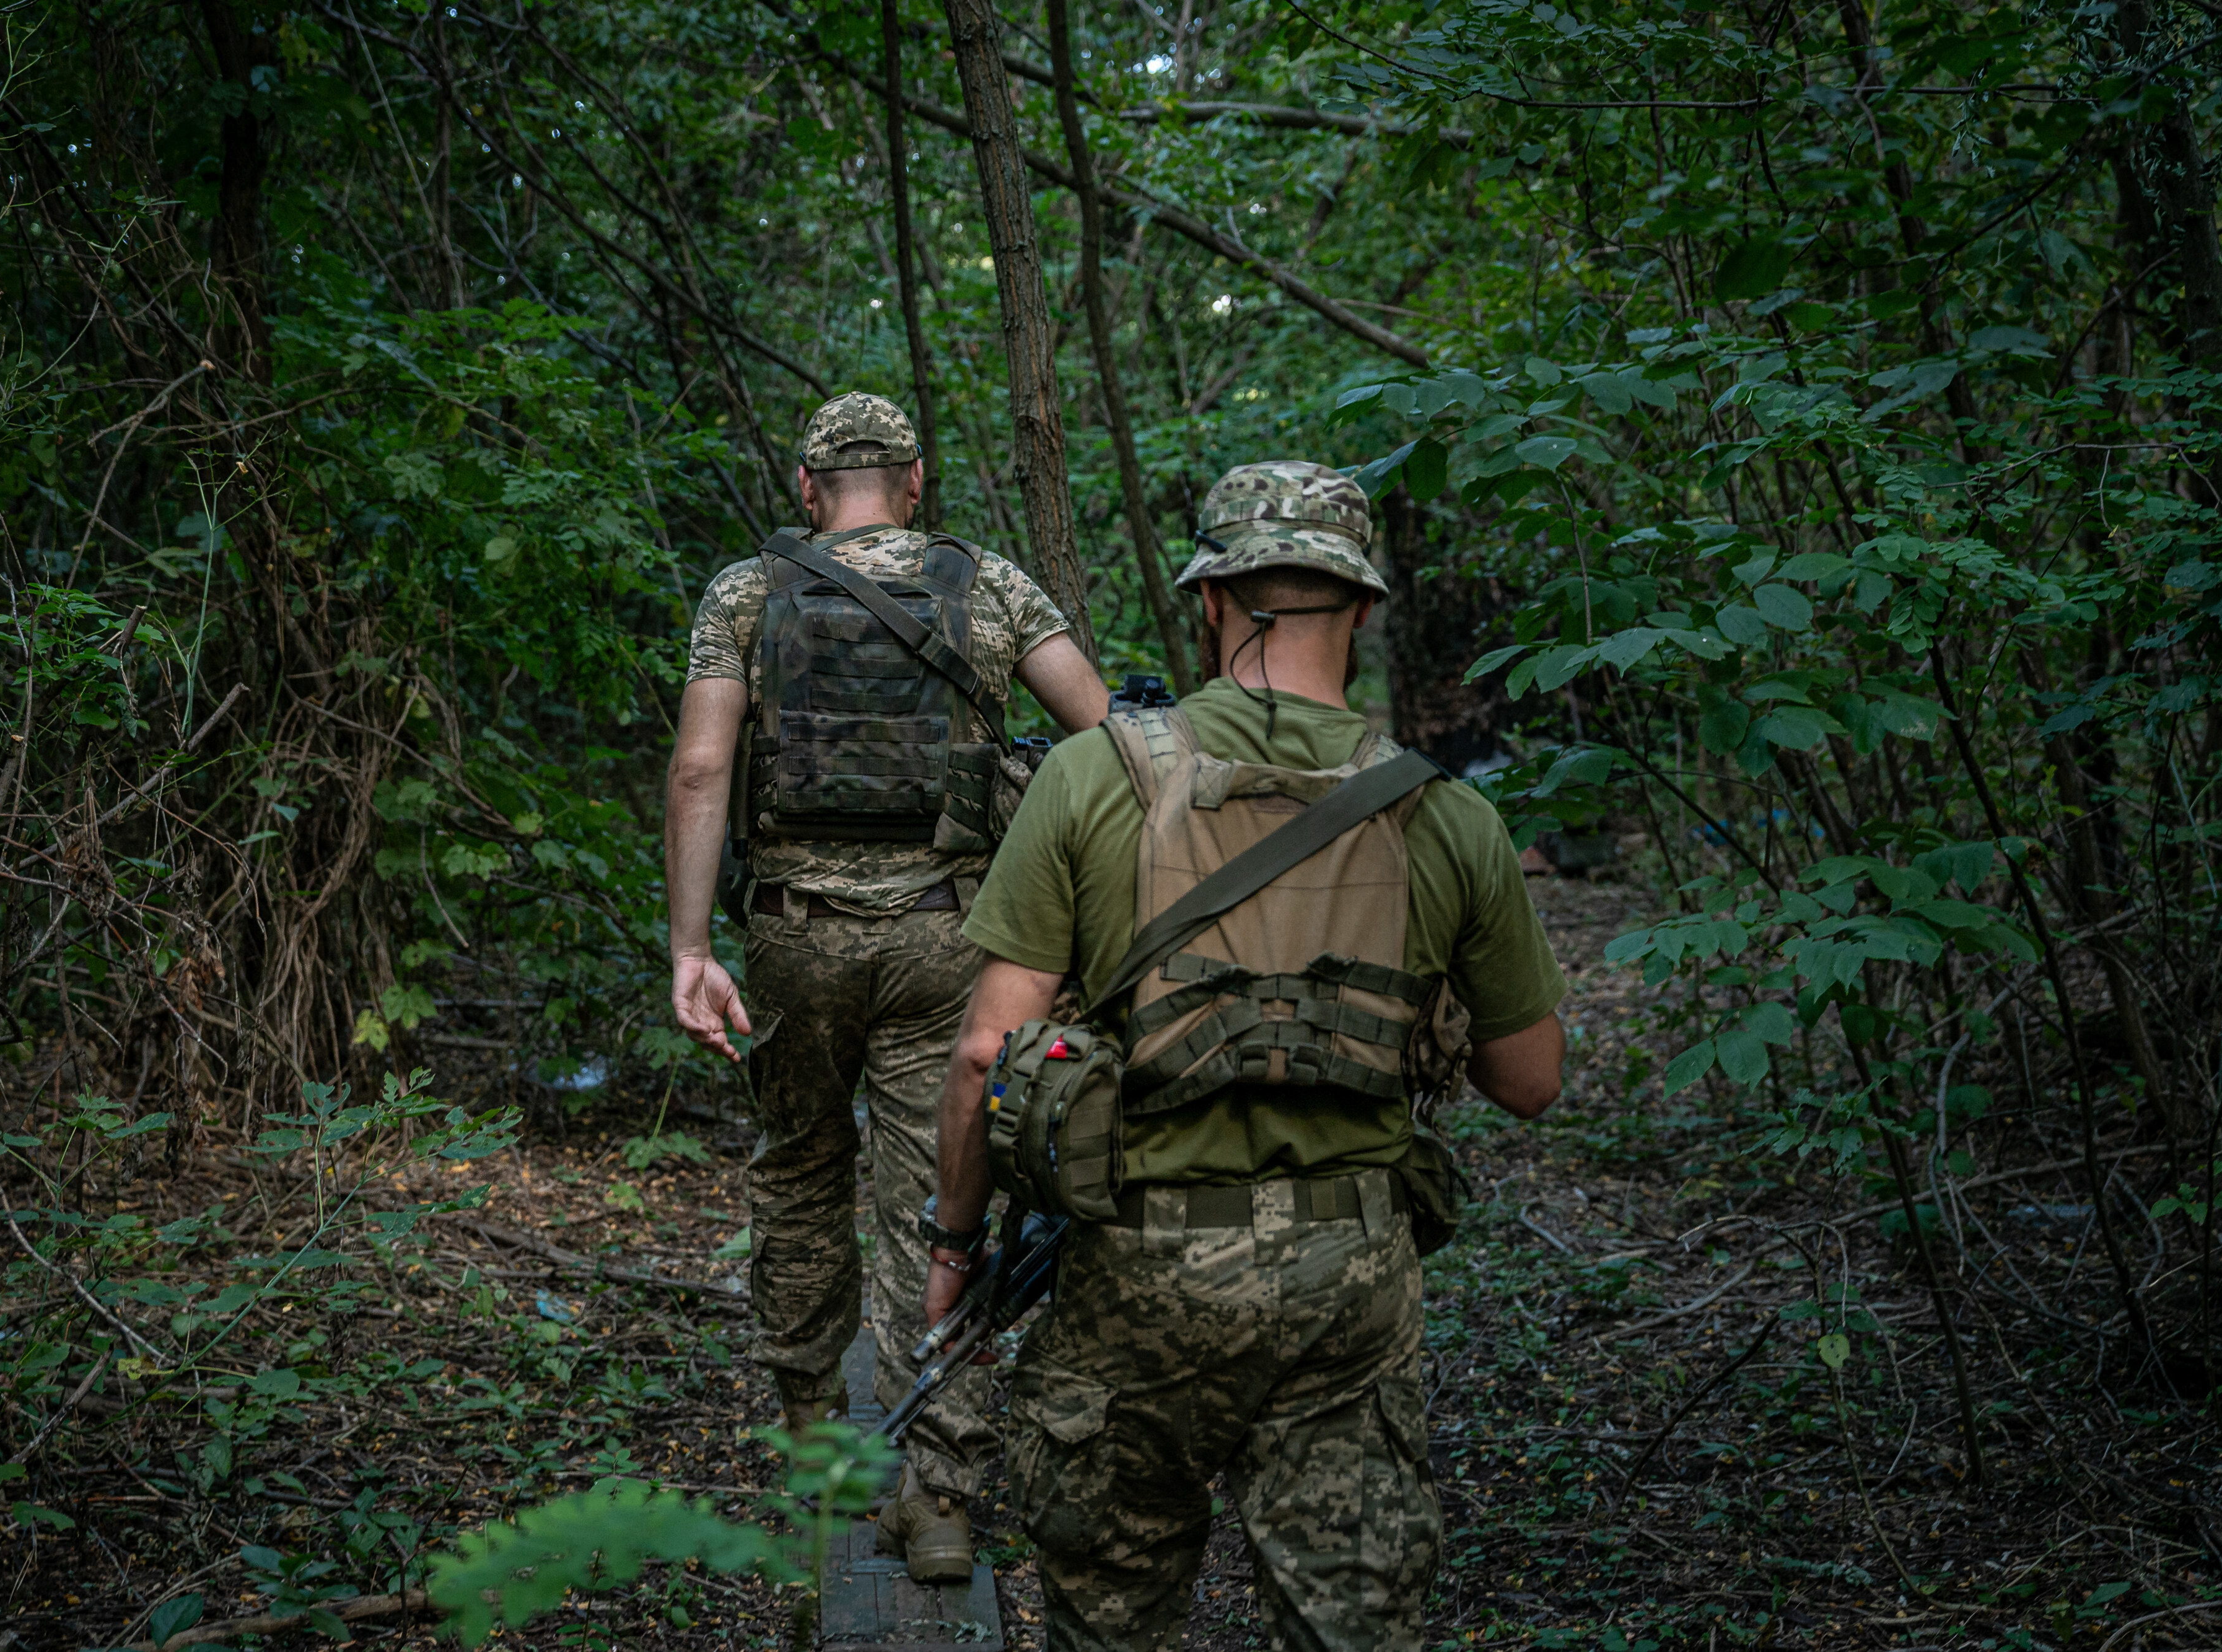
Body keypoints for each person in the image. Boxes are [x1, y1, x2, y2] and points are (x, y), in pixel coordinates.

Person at [922, 460, 1568, 1650]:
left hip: (1137, 1272)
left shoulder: (1090, 777)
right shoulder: (1448, 816)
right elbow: (1530, 1081)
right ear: (1362, 611)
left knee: (1112, 1620)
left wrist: (954, 1253)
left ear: (1212, 602)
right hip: (1350, 1282)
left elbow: (980, 1058)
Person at [665, 391, 1109, 1582]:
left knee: (802, 1173)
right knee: (939, 1196)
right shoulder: (992, 583)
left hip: (795, 941)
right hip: (952, 936)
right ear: (913, 481)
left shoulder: (747, 592)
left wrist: (691, 949)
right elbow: (1106, 741)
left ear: (809, 489)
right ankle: (941, 1498)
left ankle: (818, 1466)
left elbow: (705, 764)